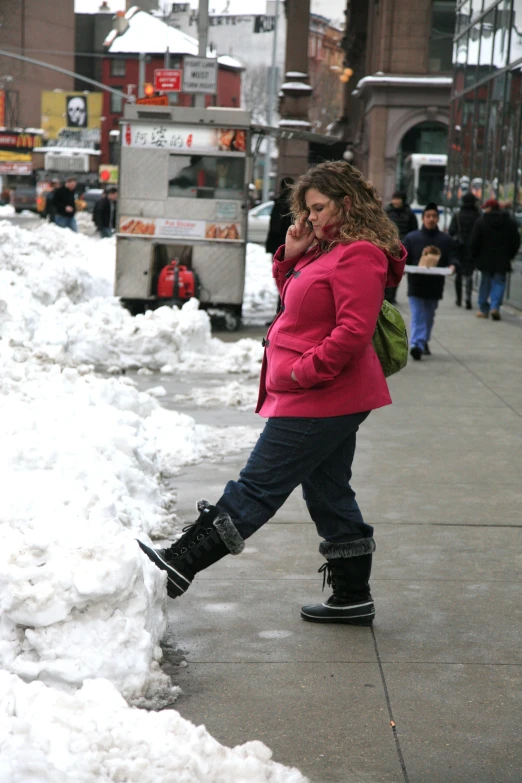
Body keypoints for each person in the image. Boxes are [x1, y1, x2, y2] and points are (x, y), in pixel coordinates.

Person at [138, 160, 406, 626]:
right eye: (306, 209)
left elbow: (352, 332)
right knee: (327, 491)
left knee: (258, 487)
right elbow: (300, 307)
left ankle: (178, 566)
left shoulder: (360, 253)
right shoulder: (327, 249)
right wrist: (292, 255)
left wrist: (304, 372)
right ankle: (352, 595)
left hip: (323, 393)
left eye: (319, 208)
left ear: (347, 202)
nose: (312, 217)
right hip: (324, 394)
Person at [403, 202, 458, 360]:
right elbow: (403, 256)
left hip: (434, 286)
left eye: (434, 216)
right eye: (428, 216)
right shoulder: (412, 238)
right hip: (416, 284)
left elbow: (453, 256)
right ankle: (416, 345)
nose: (431, 219)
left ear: (438, 219)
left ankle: (423, 340)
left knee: (428, 315)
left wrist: (453, 266)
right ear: (423, 218)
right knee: (417, 315)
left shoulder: (445, 240)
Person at [470, 198, 520, 321]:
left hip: (484, 258)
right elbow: (516, 241)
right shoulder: (510, 222)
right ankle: (495, 307)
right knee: (499, 282)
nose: (484, 210)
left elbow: (474, 241)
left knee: (485, 283)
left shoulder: (481, 222)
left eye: (486, 208)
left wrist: (475, 256)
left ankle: (483, 309)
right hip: (502, 258)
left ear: (490, 208)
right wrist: (510, 255)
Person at [384, 191, 418, 303]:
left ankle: (392, 296)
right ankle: (386, 296)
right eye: (394, 198)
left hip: (403, 247)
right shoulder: (387, 212)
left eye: (398, 199)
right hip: (388, 246)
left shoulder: (409, 214)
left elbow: (414, 231)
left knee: (397, 271)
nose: (395, 201)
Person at [448, 192, 481, 309]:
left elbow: (451, 231)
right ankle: (468, 298)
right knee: (469, 274)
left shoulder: (457, 215)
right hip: (472, 248)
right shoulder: (477, 215)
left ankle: (458, 299)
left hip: (459, 247)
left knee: (459, 274)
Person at [265, 177, 295, 255]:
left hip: (279, 241)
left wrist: (271, 245)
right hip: (291, 240)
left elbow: (275, 225)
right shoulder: (296, 203)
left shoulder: (280, 202)